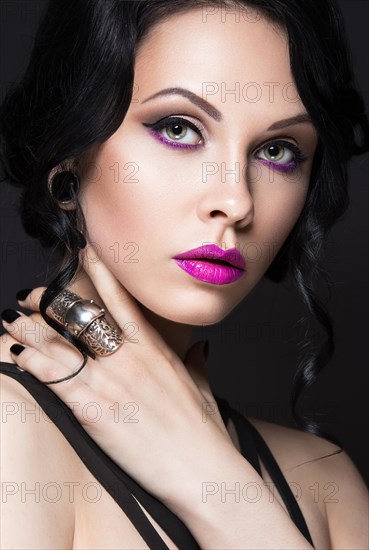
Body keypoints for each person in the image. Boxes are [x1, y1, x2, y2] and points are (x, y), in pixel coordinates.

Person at [0, 0, 368, 548]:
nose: (236, 200)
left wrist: (210, 480)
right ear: (67, 158)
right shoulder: (11, 432)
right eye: (178, 128)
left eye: (278, 149)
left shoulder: (325, 479)